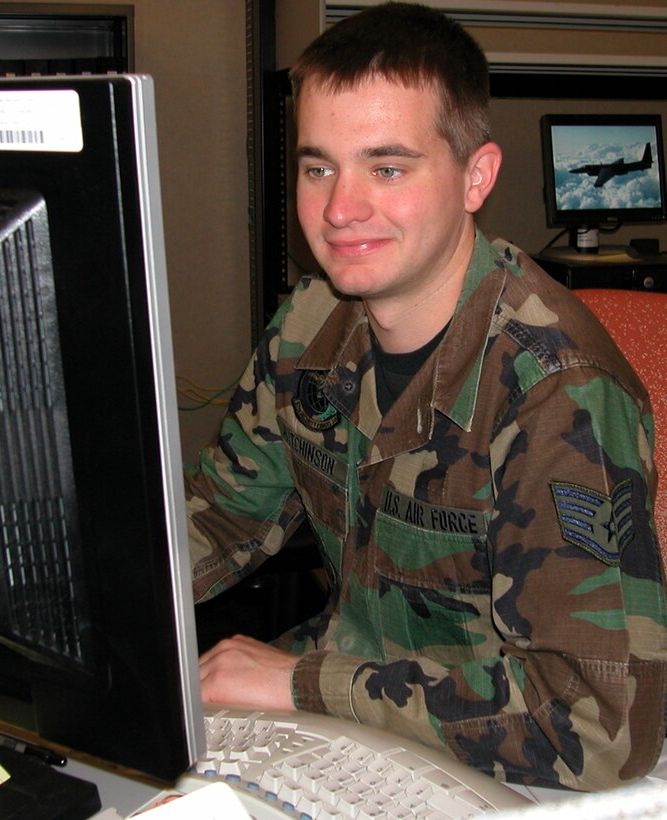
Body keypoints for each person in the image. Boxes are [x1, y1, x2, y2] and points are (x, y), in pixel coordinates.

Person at [185, 0, 667, 792]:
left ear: (475, 177)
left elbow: (595, 724)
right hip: (351, 713)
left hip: (507, 762)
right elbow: (227, 513)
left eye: (387, 167)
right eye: (318, 168)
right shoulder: (311, 325)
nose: (340, 210)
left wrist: (303, 684)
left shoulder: (556, 393)